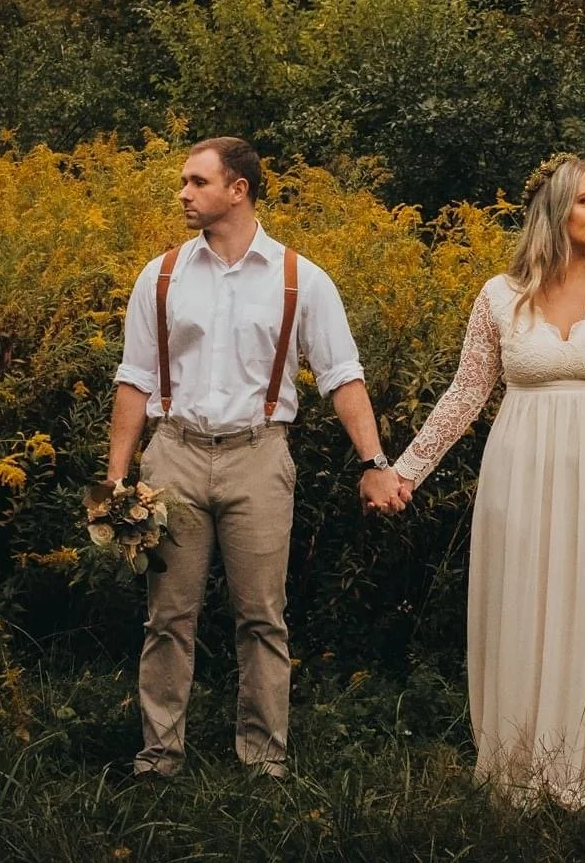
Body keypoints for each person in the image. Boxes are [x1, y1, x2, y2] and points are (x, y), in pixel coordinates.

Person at [106, 136, 407, 780]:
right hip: (175, 457)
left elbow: (342, 376)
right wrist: (116, 477)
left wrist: (374, 460)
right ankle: (159, 756)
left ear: (237, 189)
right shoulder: (161, 276)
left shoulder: (301, 279)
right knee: (167, 616)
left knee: (263, 618)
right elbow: (133, 378)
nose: (183, 193)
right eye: (183, 182)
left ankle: (264, 758)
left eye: (196, 181)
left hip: (260, 457)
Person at [393, 153, 585, 809]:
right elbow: (465, 394)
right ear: (553, 211)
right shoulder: (498, 296)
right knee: (528, 602)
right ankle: (522, 765)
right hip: (522, 473)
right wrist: (403, 470)